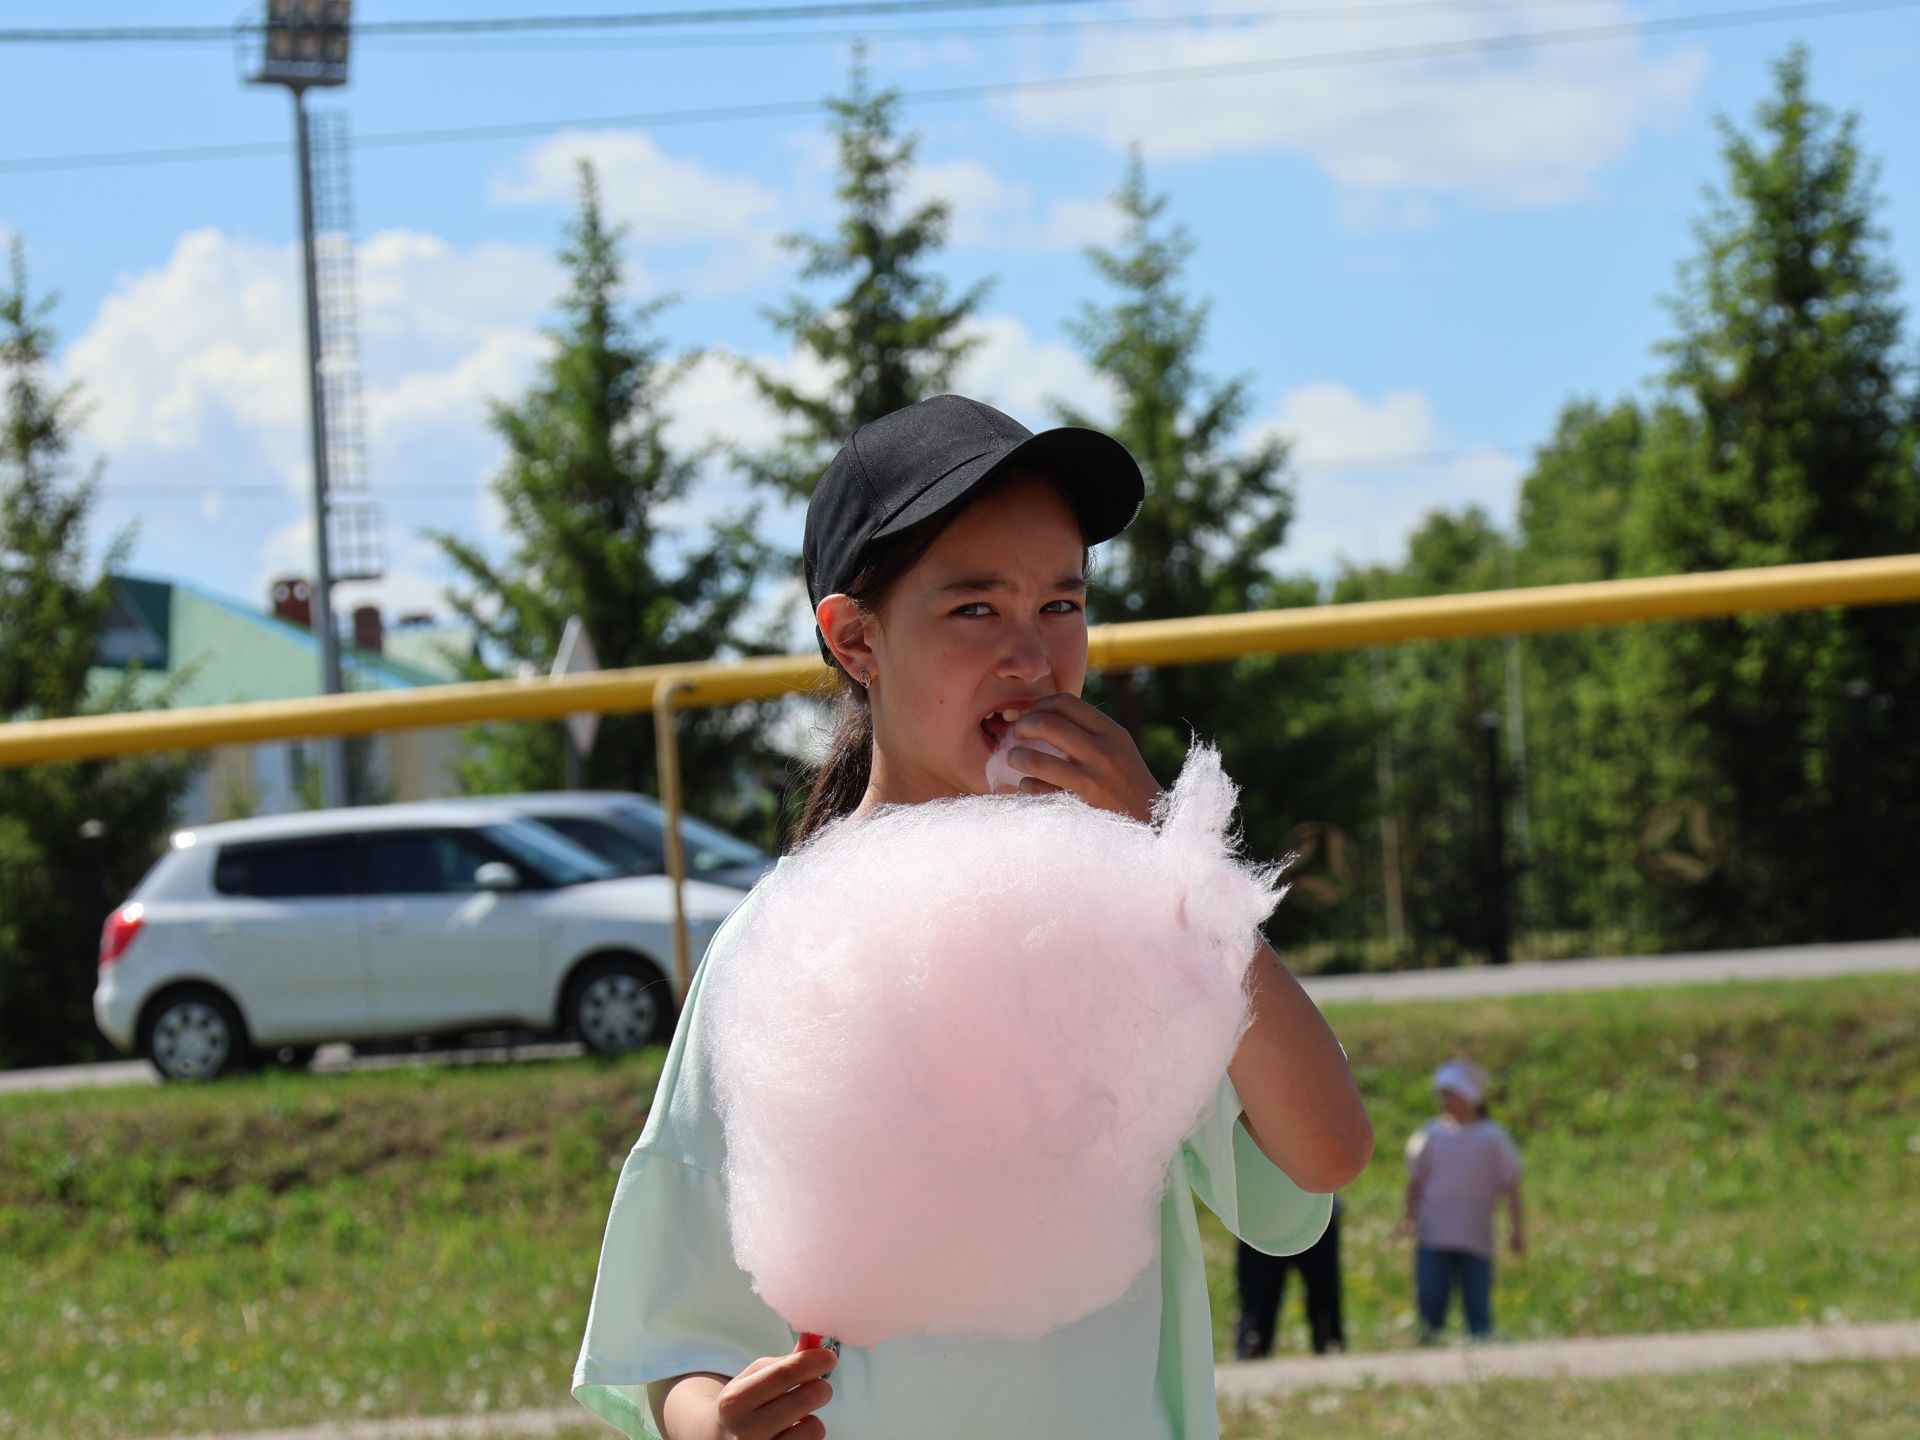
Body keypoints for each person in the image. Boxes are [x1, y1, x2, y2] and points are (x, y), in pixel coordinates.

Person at [571, 394, 1374, 1440]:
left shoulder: (1124, 917)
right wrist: (709, 1424)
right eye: (975, 610)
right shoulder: (779, 947)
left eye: (1062, 605)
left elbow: (1327, 1151)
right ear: (854, 637)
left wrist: (1171, 860)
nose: (1034, 659)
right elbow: (671, 1342)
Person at [1399, 1057, 1525, 1344]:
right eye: (1442, 1094)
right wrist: (1409, 1218)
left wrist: (1517, 1230)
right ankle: (1429, 1357)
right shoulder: (1431, 1134)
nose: (1445, 1101)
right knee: (1430, 1301)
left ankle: (1479, 1360)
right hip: (1435, 1235)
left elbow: (1512, 1186)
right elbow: (1415, 1180)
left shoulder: (1493, 1138)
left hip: (1475, 1235)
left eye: (1451, 1094)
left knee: (1477, 1308)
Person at [1233, 1194, 1345, 1359]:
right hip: (1260, 1212)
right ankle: (1253, 1344)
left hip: (1315, 1208)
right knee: (1257, 1303)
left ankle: (1330, 1344)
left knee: (1324, 1298)